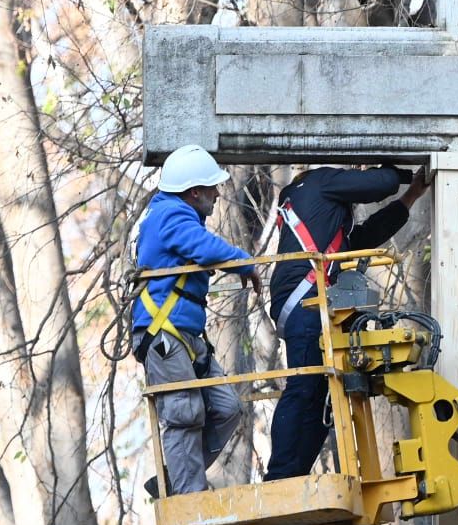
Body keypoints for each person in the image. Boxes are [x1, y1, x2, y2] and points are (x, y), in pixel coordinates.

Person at [265, 164, 429, 479]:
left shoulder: (324, 217)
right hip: (306, 301)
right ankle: (280, 476)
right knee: (303, 387)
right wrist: (395, 172)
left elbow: (364, 238)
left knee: (321, 391)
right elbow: (378, 183)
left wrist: (411, 196)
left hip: (310, 301)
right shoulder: (319, 181)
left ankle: (294, 476)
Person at [133, 144, 261, 498]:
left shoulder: (174, 214)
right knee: (185, 412)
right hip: (164, 335)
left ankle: (174, 478)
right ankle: (188, 494)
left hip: (185, 336)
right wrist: (244, 262)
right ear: (194, 192)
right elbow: (204, 248)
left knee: (226, 408)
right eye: (212, 188)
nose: (218, 195)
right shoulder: (170, 217)